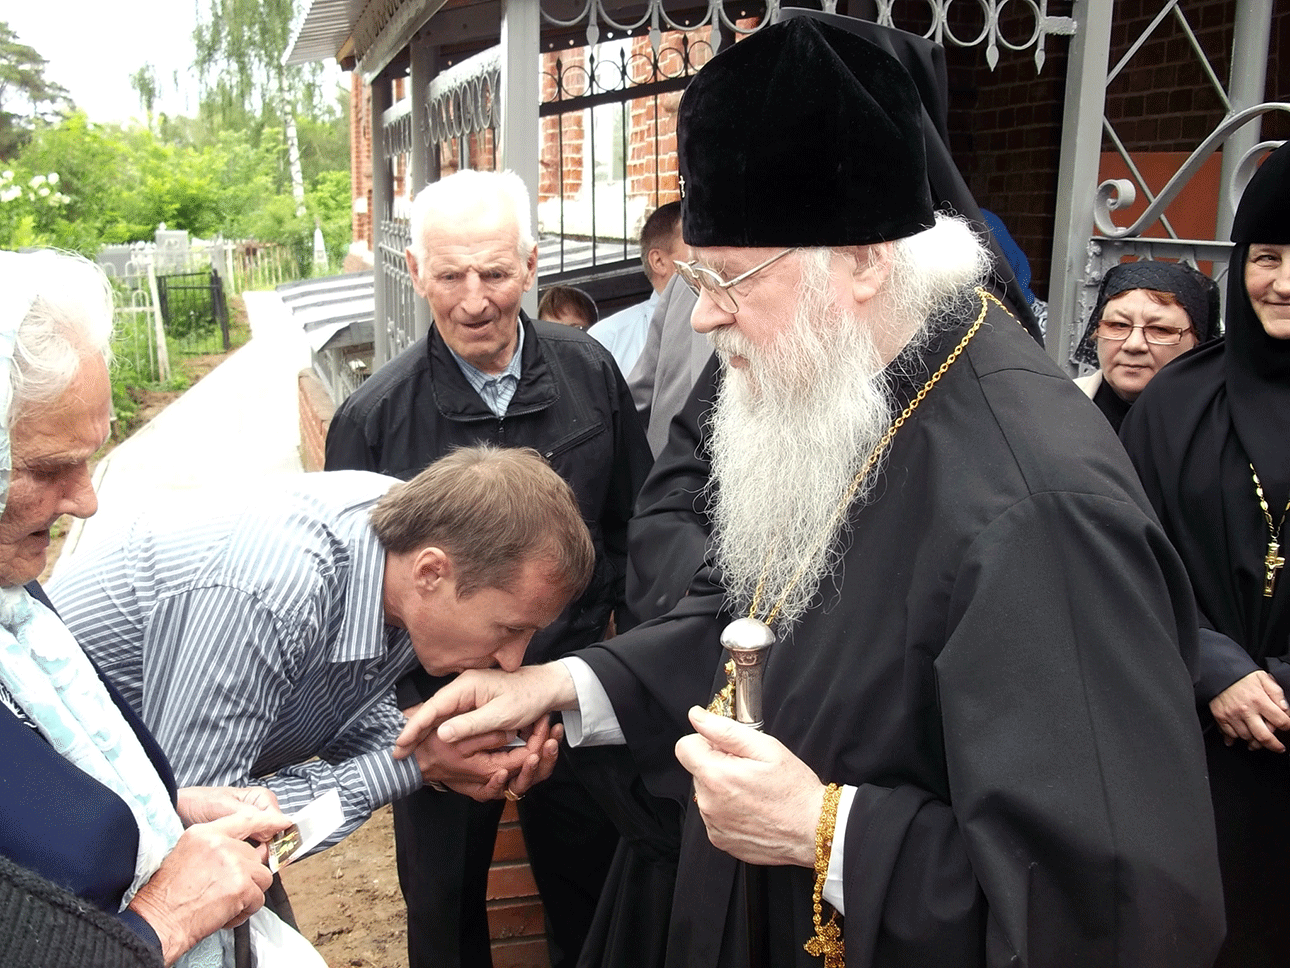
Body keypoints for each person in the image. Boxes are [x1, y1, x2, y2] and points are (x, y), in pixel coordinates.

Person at [395, 19, 1225, 968]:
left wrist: (824, 828)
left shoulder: (1038, 509)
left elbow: (1116, 910)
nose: (702, 316)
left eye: (728, 278)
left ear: (865, 260)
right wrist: (565, 683)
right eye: (695, 276)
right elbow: (773, 622)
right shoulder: (850, 389)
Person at [324, 168, 651, 968]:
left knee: (592, 900)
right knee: (443, 916)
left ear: (532, 266)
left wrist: (616, 673)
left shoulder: (589, 373)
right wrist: (414, 729)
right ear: (415, 273)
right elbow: (351, 601)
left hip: (568, 696)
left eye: (496, 274)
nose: (474, 301)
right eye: (450, 276)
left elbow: (635, 527)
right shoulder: (373, 418)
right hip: (439, 712)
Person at [47, 446, 583, 853]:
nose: (513, 661)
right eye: (508, 629)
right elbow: (206, 841)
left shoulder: (409, 542)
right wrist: (415, 764)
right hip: (57, 819)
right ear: (431, 572)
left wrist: (449, 745)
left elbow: (331, 703)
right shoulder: (271, 594)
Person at [0, 248, 295, 967]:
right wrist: (163, 920)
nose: (86, 501)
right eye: (48, 469)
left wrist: (164, 810)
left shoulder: (13, 594)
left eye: (89, 459)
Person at [1119, 140, 1290, 968]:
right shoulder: (1176, 405)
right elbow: (1123, 559)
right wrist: (1213, 667)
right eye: (1267, 257)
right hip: (1190, 763)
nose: (1282, 283)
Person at [1073, 260, 1220, 431]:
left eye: (1160, 329)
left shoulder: (1220, 426)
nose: (1134, 345)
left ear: (1197, 343)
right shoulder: (1054, 406)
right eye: (1119, 325)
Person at [588, 200, 685, 376]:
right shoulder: (607, 338)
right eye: (696, 247)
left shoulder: (730, 326)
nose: (708, 256)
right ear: (659, 261)